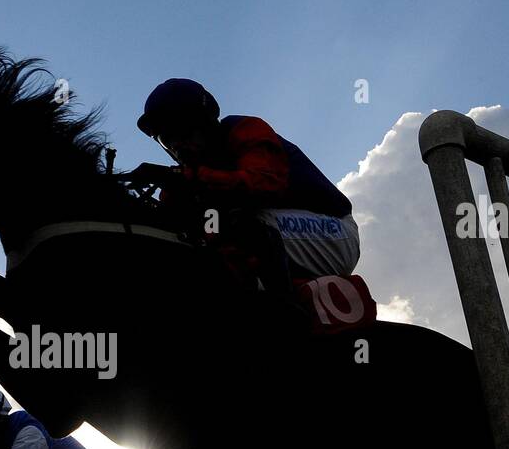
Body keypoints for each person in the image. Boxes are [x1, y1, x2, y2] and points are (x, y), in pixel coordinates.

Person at [129, 78, 362, 303]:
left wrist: (179, 178)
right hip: (288, 236)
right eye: (166, 139)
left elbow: (263, 185)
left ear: (205, 123)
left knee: (238, 221)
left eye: (180, 132)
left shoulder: (246, 129)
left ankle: (285, 313)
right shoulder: (190, 176)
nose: (176, 145)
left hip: (336, 234)